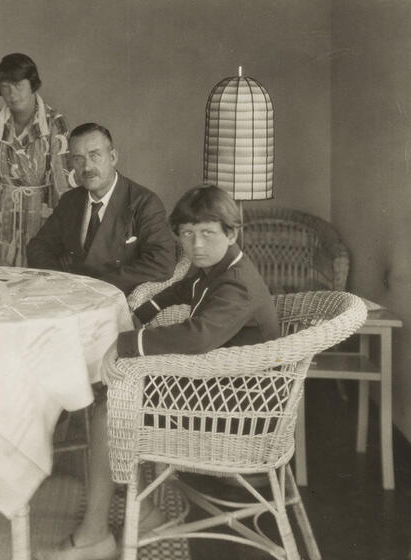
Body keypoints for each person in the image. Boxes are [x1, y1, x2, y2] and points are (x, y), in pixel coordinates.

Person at [37, 184, 280, 560]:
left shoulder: (236, 284)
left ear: (232, 233)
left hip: (239, 408)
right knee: (112, 391)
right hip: (221, 384)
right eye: (187, 234)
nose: (196, 245)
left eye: (207, 233)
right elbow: (181, 290)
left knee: (110, 408)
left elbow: (198, 337)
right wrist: (141, 313)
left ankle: (95, 535)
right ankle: (142, 508)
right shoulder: (218, 268)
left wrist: (125, 342)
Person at [26, 122, 177, 295]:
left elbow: (162, 262)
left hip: (115, 298)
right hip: (69, 294)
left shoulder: (144, 202)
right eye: (78, 159)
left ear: (113, 157)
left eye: (94, 155)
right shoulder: (70, 201)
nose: (87, 167)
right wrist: (59, 280)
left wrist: (97, 287)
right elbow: (38, 246)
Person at [0, 53, 72, 267]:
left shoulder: (54, 122)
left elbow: (65, 183)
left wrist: (69, 235)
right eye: (5, 87)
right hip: (1, 224)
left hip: (43, 221)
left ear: (32, 84)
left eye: (19, 85)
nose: (12, 94)